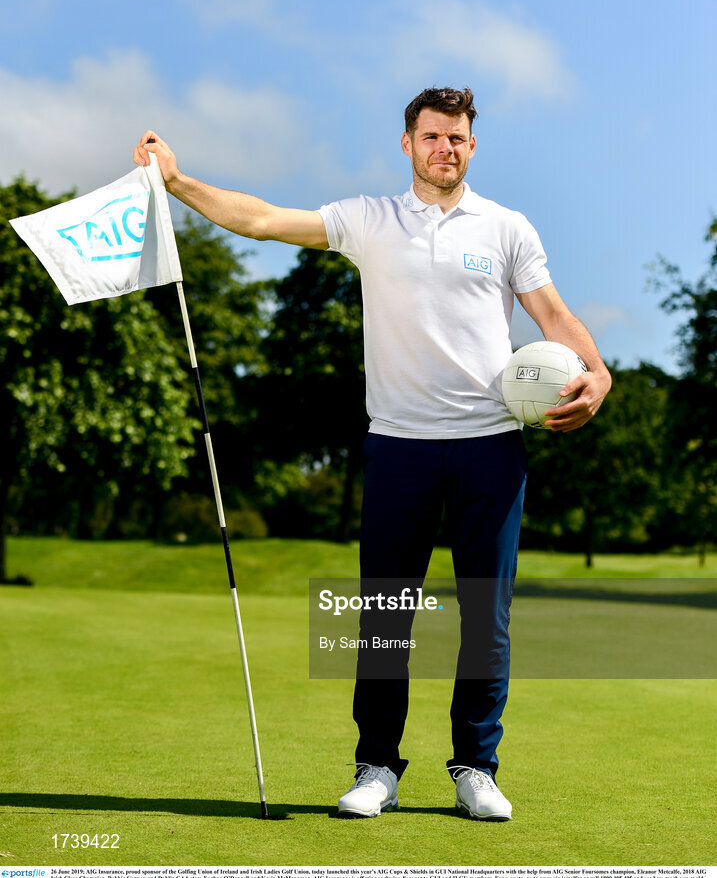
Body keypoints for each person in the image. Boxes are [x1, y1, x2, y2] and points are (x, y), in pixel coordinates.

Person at [133, 86, 611, 822]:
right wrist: (176, 181)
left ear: (471, 147)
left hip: (490, 446)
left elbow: (552, 314)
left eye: (455, 138)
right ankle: (376, 767)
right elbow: (260, 220)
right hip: (398, 448)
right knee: (385, 616)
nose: (442, 149)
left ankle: (475, 769)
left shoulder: (507, 228)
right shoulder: (368, 220)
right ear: (407, 144)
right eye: (430, 137)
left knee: (486, 617)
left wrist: (598, 371)